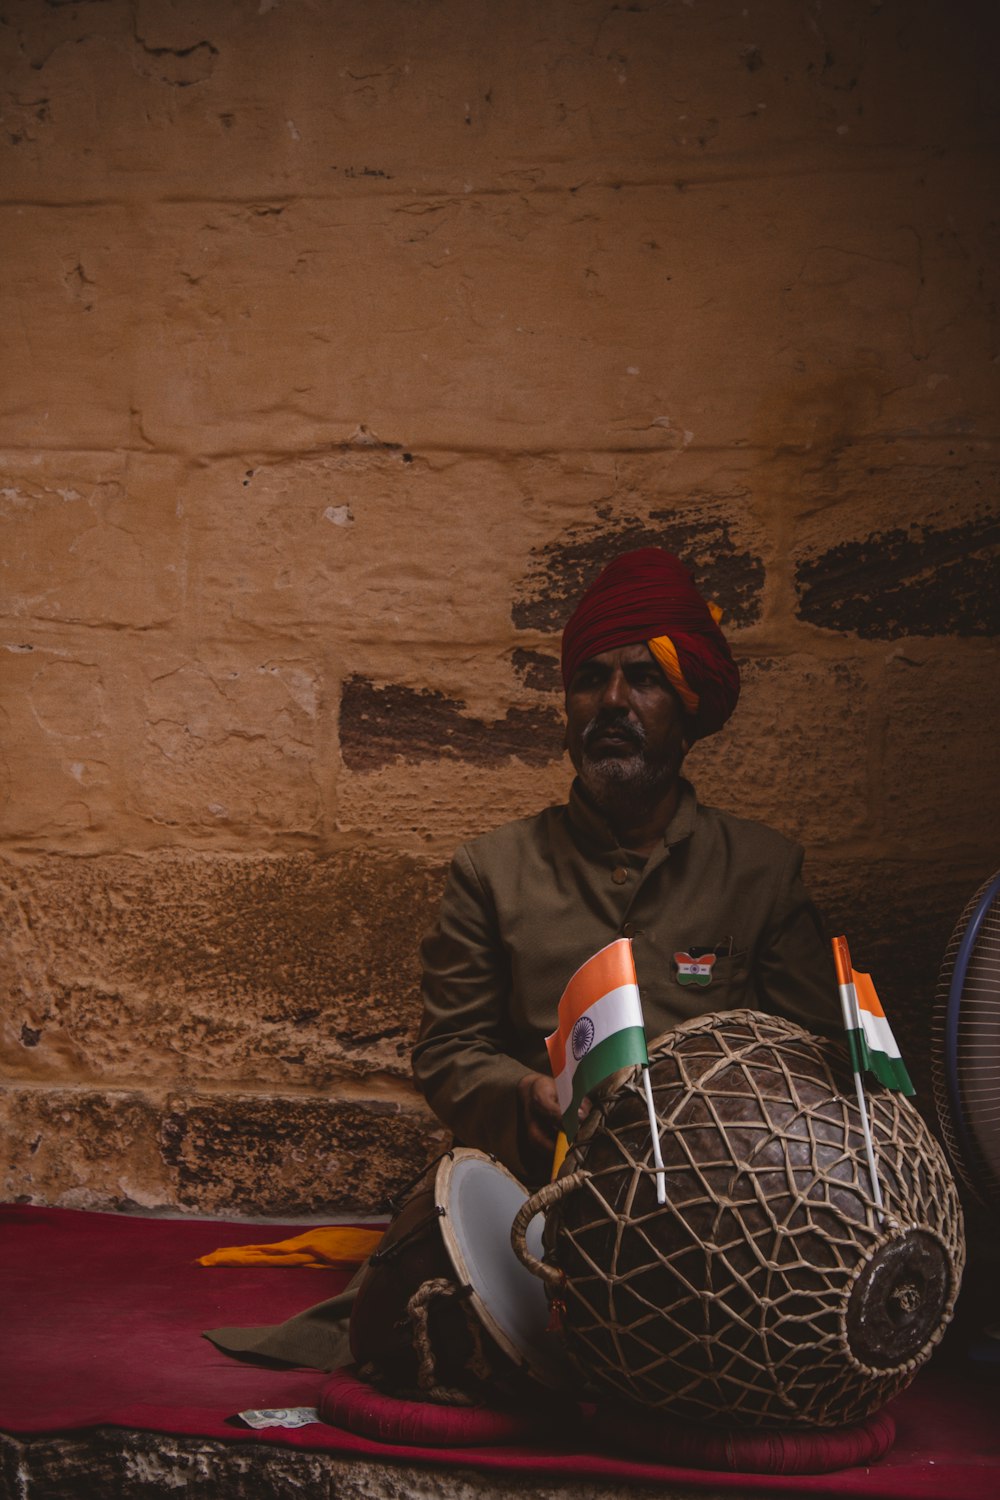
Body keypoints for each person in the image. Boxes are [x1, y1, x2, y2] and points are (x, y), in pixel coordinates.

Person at [412, 547, 839, 1186]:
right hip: (538, 1195)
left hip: (724, 1201)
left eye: (644, 678)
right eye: (589, 679)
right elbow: (447, 1051)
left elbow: (821, 1061)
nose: (612, 699)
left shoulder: (762, 871)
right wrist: (523, 1091)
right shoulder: (491, 871)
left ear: (687, 716)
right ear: (567, 716)